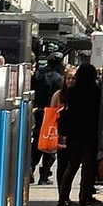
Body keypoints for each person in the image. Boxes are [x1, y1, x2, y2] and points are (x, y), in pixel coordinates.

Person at [56, 61, 103, 206]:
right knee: (88, 167)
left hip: (74, 133)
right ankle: (83, 201)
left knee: (72, 166)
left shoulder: (72, 91)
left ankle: (63, 198)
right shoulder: (96, 91)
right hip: (90, 132)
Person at [30, 53, 65, 184]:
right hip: (51, 113)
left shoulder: (38, 75)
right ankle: (44, 175)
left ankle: (31, 167)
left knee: (38, 141)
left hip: (37, 112)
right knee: (50, 142)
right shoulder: (59, 78)